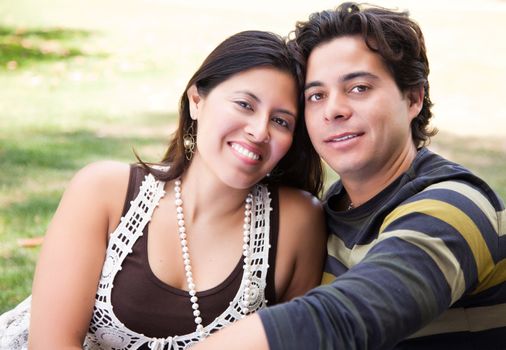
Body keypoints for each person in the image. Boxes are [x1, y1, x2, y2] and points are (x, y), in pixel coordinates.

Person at [192, 3, 506, 350]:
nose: (334, 110)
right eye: (316, 96)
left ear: (414, 98)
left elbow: (342, 321)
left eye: (358, 88)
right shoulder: (324, 214)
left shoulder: (455, 206)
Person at [0, 30, 327, 349]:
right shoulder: (102, 191)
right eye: (244, 104)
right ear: (197, 100)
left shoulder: (298, 223)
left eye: (281, 121)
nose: (259, 131)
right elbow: (50, 343)